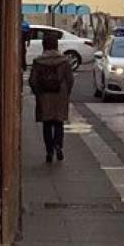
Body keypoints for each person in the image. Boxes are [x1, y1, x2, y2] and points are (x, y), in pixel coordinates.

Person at [29, 34, 74, 163]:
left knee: (47, 124)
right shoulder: (64, 61)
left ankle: (49, 151)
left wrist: (37, 93)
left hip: (44, 95)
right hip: (60, 95)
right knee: (59, 122)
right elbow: (70, 79)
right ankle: (58, 145)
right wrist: (66, 93)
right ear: (56, 45)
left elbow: (33, 80)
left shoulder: (38, 61)